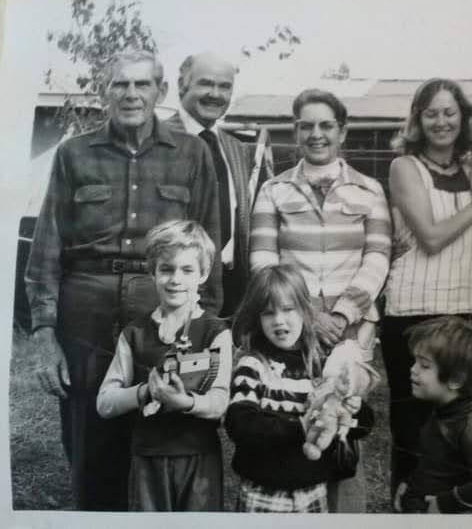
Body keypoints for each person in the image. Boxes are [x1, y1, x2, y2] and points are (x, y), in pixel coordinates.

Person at [24, 49, 222, 510]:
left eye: (142, 84)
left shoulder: (191, 153)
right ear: (104, 91)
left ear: (161, 91)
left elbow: (207, 245)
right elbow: (47, 245)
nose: (131, 94)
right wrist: (44, 333)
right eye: (120, 84)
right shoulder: (74, 153)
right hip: (86, 310)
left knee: (165, 426)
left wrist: (206, 327)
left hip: (163, 305)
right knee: (89, 432)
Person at [250, 88, 391, 511]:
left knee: (344, 420)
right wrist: (308, 312)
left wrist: (343, 313)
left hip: (352, 329)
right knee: (296, 417)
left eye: (326, 125)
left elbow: (378, 257)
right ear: (295, 132)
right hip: (292, 325)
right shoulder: (273, 190)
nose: (316, 134)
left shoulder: (369, 189)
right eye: (306, 126)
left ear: (342, 131)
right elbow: (263, 260)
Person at [381, 78, 472, 499]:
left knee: (460, 432)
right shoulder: (405, 167)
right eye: (430, 113)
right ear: (417, 120)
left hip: (466, 308)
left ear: (465, 118)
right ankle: (408, 510)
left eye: (450, 112)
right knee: (414, 431)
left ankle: (453, 513)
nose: (441, 121)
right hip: (414, 311)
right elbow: (431, 238)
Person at [96, 220, 231, 511]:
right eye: (166, 269)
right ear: (152, 272)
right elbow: (104, 403)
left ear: (203, 274)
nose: (175, 280)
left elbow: (221, 402)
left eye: (187, 270)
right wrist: (145, 392)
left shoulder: (215, 332)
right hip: (147, 458)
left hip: (198, 459)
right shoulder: (134, 333)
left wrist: (185, 402)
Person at [224, 264, 373, 513]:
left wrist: (354, 409)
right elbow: (239, 423)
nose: (278, 320)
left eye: (288, 309)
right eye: (268, 313)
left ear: (305, 311)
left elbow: (361, 428)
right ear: (257, 318)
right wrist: (300, 428)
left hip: (313, 491)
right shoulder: (253, 365)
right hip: (264, 491)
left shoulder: (321, 364)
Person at [166, 52, 258, 317]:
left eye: (225, 86)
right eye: (206, 83)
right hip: (175, 286)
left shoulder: (237, 148)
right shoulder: (157, 139)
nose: (215, 94)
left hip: (232, 291)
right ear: (182, 85)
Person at [394, 316, 472, 514]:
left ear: (456, 380)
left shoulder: (468, 428)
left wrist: (445, 503)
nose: (413, 369)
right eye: (415, 361)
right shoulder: (441, 412)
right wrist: (410, 485)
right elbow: (434, 463)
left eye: (424, 365)